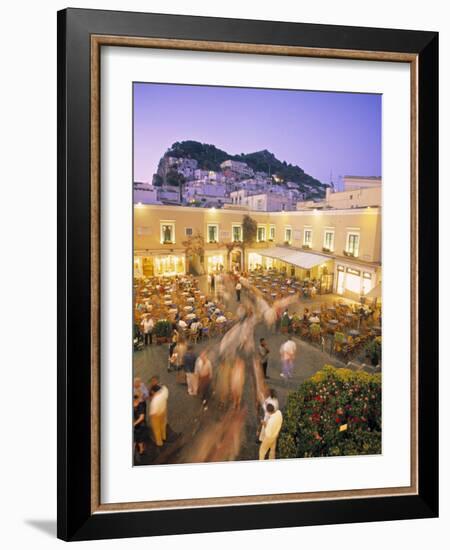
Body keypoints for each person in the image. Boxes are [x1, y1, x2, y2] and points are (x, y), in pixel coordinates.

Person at [148, 377, 169, 447]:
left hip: (156, 414)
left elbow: (152, 412)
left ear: (153, 392)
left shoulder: (155, 400)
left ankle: (159, 442)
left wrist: (151, 415)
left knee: (156, 428)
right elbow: (165, 390)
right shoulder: (164, 390)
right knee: (163, 424)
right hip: (163, 410)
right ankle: (164, 437)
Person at [133, 391, 147, 456]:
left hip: (138, 426)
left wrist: (134, 424)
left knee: (138, 438)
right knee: (139, 439)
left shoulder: (140, 405)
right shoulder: (139, 405)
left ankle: (141, 450)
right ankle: (141, 450)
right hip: (138, 426)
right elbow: (141, 417)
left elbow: (142, 417)